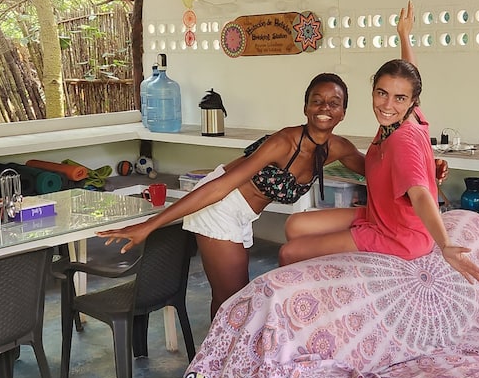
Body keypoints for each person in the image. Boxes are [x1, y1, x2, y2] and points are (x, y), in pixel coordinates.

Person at [100, 72, 366, 318]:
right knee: (234, 300)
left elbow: (376, 172)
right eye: (317, 101)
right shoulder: (283, 142)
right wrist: (150, 225)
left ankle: (216, 351)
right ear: (306, 107)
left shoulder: (339, 148)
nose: (324, 108)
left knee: (228, 298)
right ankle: (219, 352)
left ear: (343, 112)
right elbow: (219, 187)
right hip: (219, 204)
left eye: (334, 103)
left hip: (242, 213)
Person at [279, 3, 479, 285]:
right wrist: (404, 35)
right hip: (379, 214)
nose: (387, 105)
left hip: (399, 235)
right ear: (374, 90)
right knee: (295, 225)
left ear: (411, 101)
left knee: (289, 252)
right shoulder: (405, 116)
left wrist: (445, 244)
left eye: (399, 98)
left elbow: (420, 195)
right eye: (382, 93)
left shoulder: (402, 141)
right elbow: (409, 75)